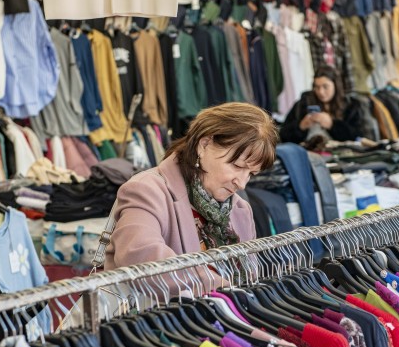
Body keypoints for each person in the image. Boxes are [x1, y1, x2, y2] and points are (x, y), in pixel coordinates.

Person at [105, 102, 278, 272]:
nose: (242, 183)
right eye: (238, 166)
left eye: (251, 174)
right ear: (204, 145)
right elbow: (140, 258)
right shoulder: (146, 191)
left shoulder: (240, 210)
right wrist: (223, 290)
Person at [279, 65, 360, 144]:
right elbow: (283, 135)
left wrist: (332, 125)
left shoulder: (351, 106)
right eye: (317, 87)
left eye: (325, 87)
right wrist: (301, 126)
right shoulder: (302, 105)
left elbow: (358, 136)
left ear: (336, 85)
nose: (320, 92)